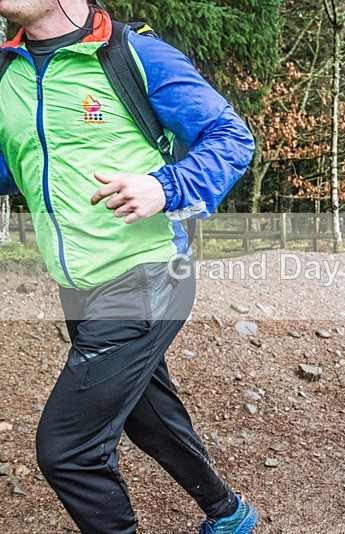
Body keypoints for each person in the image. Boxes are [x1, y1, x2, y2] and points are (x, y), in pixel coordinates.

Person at [0, 1, 257, 532]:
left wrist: (166, 186)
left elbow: (233, 139)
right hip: (79, 285)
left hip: (149, 275)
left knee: (67, 451)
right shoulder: (7, 72)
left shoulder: (133, 54)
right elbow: (16, 166)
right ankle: (229, 514)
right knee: (147, 414)